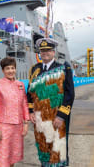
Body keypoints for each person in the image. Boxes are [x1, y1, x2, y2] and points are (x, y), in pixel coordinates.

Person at [27, 38, 75, 167]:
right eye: (42, 51)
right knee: (43, 145)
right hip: (40, 118)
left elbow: (69, 94)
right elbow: (30, 92)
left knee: (58, 148)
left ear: (53, 52)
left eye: (48, 50)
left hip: (57, 117)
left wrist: (61, 115)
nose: (45, 53)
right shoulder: (34, 70)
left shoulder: (63, 68)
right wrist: (30, 111)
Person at [0, 57, 30, 167]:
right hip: (2, 127)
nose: (11, 71)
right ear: (3, 70)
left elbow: (24, 104)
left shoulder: (20, 84)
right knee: (2, 160)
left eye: (13, 68)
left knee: (12, 158)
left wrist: (26, 124)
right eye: (7, 68)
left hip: (17, 126)